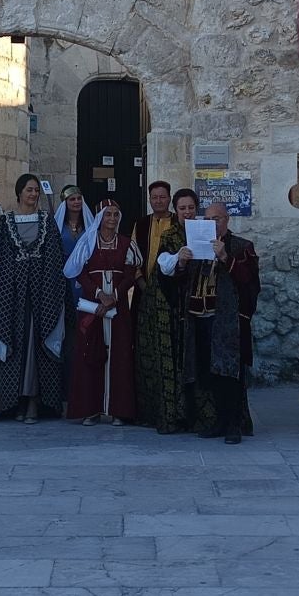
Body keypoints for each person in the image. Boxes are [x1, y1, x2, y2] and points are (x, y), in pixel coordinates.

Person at [171, 201, 259, 445]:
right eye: (208, 219)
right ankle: (218, 421)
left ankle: (234, 424)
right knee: (207, 372)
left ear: (227, 220)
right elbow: (182, 282)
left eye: (217, 219)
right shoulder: (197, 245)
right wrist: (181, 262)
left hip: (227, 322)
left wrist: (224, 257)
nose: (213, 224)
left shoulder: (242, 246)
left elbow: (249, 283)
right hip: (200, 318)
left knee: (229, 375)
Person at [0, 174, 67, 423]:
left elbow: (55, 257)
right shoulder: (5, 222)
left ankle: (34, 400)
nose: (33, 194)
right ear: (19, 192)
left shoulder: (47, 221)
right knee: (16, 343)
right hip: (13, 295)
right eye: (29, 190)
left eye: (36, 190)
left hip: (42, 295)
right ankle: (16, 402)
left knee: (37, 344)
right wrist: (7, 288)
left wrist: (48, 287)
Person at [68, 197, 141, 425]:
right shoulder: (87, 243)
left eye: (115, 215)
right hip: (94, 307)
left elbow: (130, 275)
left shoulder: (127, 243)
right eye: (107, 214)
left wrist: (115, 297)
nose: (112, 219)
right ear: (99, 217)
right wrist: (100, 294)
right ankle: (91, 409)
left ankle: (117, 409)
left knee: (119, 356)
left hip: (118, 308)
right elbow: (80, 273)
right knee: (91, 355)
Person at [133, 181, 192, 432]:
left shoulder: (178, 227)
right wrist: (142, 284)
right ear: (149, 199)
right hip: (145, 293)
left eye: (162, 197)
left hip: (176, 296)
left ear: (169, 200)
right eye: (154, 197)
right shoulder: (142, 224)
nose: (158, 201)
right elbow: (134, 255)